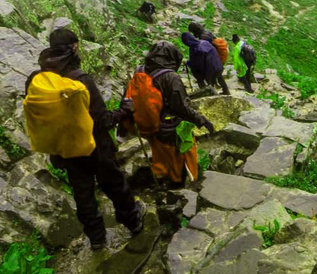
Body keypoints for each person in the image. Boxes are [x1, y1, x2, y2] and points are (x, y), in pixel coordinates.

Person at [25, 29, 143, 250]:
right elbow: (103, 120)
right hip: (96, 146)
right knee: (114, 185)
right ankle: (133, 221)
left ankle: (97, 239)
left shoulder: (38, 80)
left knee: (83, 194)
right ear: (75, 47)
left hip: (66, 149)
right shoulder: (80, 79)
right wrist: (124, 111)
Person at [126, 42, 215, 186]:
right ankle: (177, 185)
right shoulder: (170, 77)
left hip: (149, 123)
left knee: (161, 153)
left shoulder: (140, 70)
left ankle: (161, 177)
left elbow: (128, 97)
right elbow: (180, 106)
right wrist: (201, 120)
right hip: (170, 126)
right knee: (179, 156)